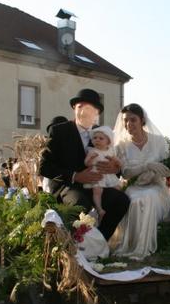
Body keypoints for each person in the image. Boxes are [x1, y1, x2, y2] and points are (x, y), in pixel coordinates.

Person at [40, 88, 130, 241]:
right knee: (80, 203)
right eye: (80, 106)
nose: (84, 111)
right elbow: (45, 167)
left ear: (97, 113)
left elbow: (114, 165)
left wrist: (115, 169)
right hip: (69, 186)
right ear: (74, 109)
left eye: (89, 108)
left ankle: (99, 242)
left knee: (121, 200)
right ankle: (70, 248)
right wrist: (76, 176)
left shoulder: (102, 133)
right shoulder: (59, 131)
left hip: (98, 185)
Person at [111, 103, 170, 259]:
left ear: (142, 120)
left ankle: (145, 248)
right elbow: (125, 173)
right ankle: (132, 246)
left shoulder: (158, 141)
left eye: (133, 120)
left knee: (149, 196)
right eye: (125, 120)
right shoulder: (121, 146)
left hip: (155, 186)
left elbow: (168, 168)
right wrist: (146, 166)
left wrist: (154, 173)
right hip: (132, 186)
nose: (128, 124)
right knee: (135, 199)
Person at [82, 126, 121, 219]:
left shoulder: (111, 151)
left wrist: (118, 164)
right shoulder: (91, 151)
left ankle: (114, 209)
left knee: (118, 188)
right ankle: (99, 209)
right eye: (95, 138)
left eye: (101, 138)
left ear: (108, 141)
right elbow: (86, 163)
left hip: (108, 175)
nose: (97, 140)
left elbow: (117, 162)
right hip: (97, 174)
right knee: (97, 191)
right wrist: (90, 159)